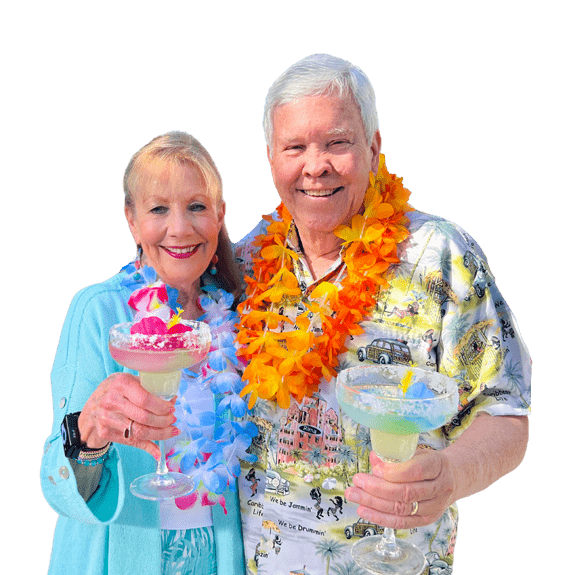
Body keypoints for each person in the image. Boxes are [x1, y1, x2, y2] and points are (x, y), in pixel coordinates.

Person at [234, 54, 531, 574]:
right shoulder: (245, 262)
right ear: (270, 158)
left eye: (336, 143)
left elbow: (506, 413)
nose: (315, 165)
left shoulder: (440, 255)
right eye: (294, 147)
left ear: (373, 147)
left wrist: (450, 473)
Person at [41, 131, 250, 575]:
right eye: (158, 209)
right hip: (121, 557)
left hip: (218, 554)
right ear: (131, 220)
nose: (180, 228)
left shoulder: (236, 313)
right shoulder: (99, 310)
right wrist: (89, 434)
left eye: (196, 206)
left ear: (219, 216)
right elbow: (58, 482)